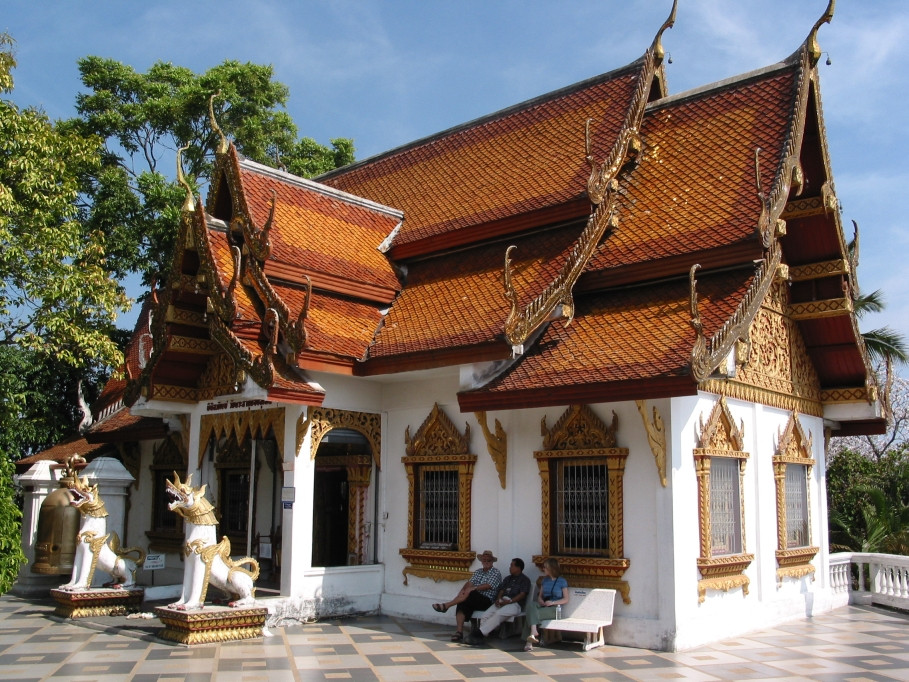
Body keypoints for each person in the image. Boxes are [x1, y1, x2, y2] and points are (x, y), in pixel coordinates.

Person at [432, 550, 503, 642]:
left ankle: (447, 605)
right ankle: (459, 632)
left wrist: (473, 589)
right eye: (484, 560)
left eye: (488, 560)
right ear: (481, 561)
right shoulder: (478, 572)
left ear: (492, 562)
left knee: (469, 594)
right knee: (462, 602)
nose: (486, 562)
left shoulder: (495, 572)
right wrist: (463, 591)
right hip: (472, 598)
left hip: (486, 600)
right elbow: (469, 583)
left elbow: (488, 586)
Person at [465, 557, 531, 645]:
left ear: (518, 568)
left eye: (512, 566)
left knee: (498, 614)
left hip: (514, 604)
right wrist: (498, 599)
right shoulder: (508, 578)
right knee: (485, 615)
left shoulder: (525, 580)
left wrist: (510, 601)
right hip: (502, 601)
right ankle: (482, 636)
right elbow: (501, 590)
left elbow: (522, 594)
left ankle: (478, 634)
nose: (509, 568)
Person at [522, 557, 569, 652]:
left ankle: (529, 641)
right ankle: (533, 631)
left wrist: (553, 602)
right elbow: (540, 595)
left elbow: (566, 599)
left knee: (531, 614)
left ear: (551, 568)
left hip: (555, 608)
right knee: (531, 605)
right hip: (544, 605)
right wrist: (540, 600)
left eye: (545, 567)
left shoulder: (561, 581)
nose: (543, 569)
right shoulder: (544, 580)